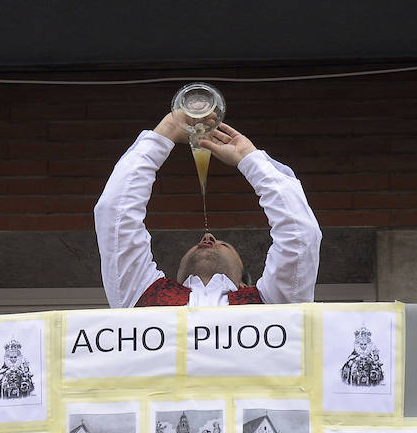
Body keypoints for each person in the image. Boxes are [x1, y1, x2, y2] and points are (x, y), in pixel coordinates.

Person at [94, 109, 321, 308]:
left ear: (243, 283)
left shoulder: (275, 303)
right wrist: (167, 131)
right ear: (175, 280)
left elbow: (300, 234)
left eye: (225, 244)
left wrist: (249, 159)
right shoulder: (142, 294)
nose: (208, 237)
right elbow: (113, 215)